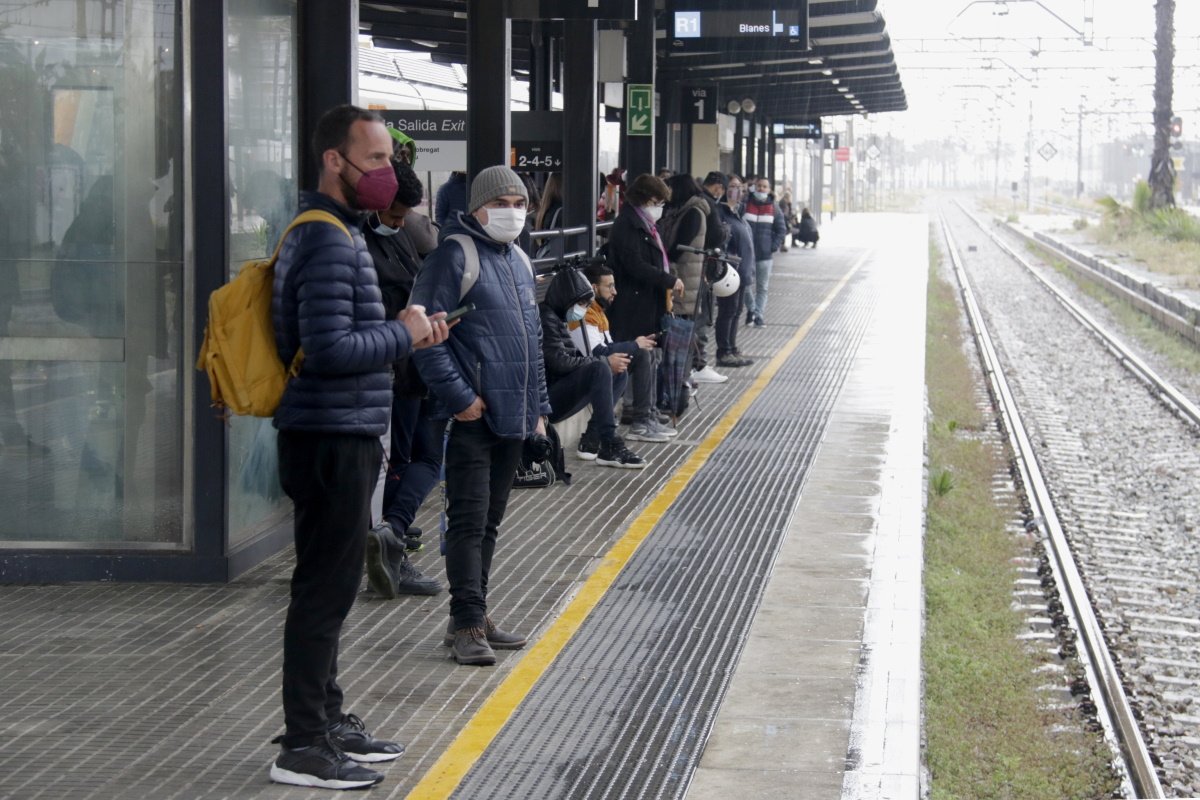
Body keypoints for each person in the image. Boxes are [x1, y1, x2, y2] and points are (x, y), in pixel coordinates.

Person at [270, 104, 450, 790]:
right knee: (323, 590)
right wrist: (403, 332)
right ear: (333, 161)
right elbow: (327, 349)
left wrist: (408, 330)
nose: (388, 173)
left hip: (342, 430)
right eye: (374, 160)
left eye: (388, 159)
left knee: (334, 587)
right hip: (328, 436)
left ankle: (327, 720)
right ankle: (303, 744)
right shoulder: (322, 238)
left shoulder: (342, 231)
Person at [409, 165, 550, 667]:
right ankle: (468, 621)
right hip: (471, 419)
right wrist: (460, 399)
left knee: (489, 523)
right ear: (477, 208)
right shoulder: (453, 255)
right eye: (503, 202)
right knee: (467, 524)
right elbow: (424, 339)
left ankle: (472, 613)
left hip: (514, 416)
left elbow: (532, 343)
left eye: (520, 203)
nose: (513, 212)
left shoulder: (517, 258)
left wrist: (540, 411)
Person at [361, 159, 444, 598]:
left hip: (412, 366)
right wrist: (401, 324)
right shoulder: (356, 245)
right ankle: (389, 540)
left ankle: (390, 538)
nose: (399, 223)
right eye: (395, 216)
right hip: (388, 374)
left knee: (421, 458)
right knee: (401, 464)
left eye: (405, 217)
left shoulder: (398, 240)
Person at [540, 267, 646, 466]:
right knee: (600, 368)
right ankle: (609, 443)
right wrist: (602, 362)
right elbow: (558, 362)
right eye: (580, 304)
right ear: (566, 298)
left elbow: (569, 358)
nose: (582, 309)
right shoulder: (546, 319)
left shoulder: (558, 317)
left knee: (617, 372)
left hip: (556, 390)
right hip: (547, 399)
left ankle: (593, 438)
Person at [604, 174, 682, 438]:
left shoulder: (645, 224)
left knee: (649, 358)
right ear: (643, 199)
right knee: (641, 357)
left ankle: (645, 413)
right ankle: (639, 419)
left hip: (647, 301)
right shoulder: (628, 225)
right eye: (656, 201)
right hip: (632, 302)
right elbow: (635, 265)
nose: (659, 207)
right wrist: (668, 279)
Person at [573, 261, 672, 442]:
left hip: (597, 365)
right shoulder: (582, 314)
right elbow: (597, 352)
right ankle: (633, 424)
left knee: (644, 353)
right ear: (594, 288)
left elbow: (608, 346)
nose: (615, 292)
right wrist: (634, 345)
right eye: (609, 286)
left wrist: (636, 345)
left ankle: (645, 417)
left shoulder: (598, 311)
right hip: (584, 371)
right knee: (634, 355)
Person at [663, 173, 725, 384]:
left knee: (683, 330)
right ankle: (684, 376)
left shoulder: (692, 213)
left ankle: (683, 378)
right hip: (685, 277)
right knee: (684, 330)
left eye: (669, 189)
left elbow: (677, 249)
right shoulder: (688, 210)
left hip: (684, 279)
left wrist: (662, 258)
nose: (666, 194)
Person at [703, 173, 754, 368]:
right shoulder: (720, 212)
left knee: (736, 311)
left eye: (740, 186)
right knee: (727, 311)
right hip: (729, 273)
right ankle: (723, 352)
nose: (737, 190)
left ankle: (732, 347)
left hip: (743, 272)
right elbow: (720, 242)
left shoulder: (738, 212)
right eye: (732, 186)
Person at [740, 176, 788, 328]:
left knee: (763, 287)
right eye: (759, 186)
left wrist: (772, 247)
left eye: (764, 186)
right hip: (746, 254)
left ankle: (758, 315)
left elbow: (781, 230)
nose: (761, 189)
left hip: (765, 256)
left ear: (769, 189)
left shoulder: (774, 207)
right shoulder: (745, 204)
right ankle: (752, 309)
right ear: (754, 187)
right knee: (745, 285)